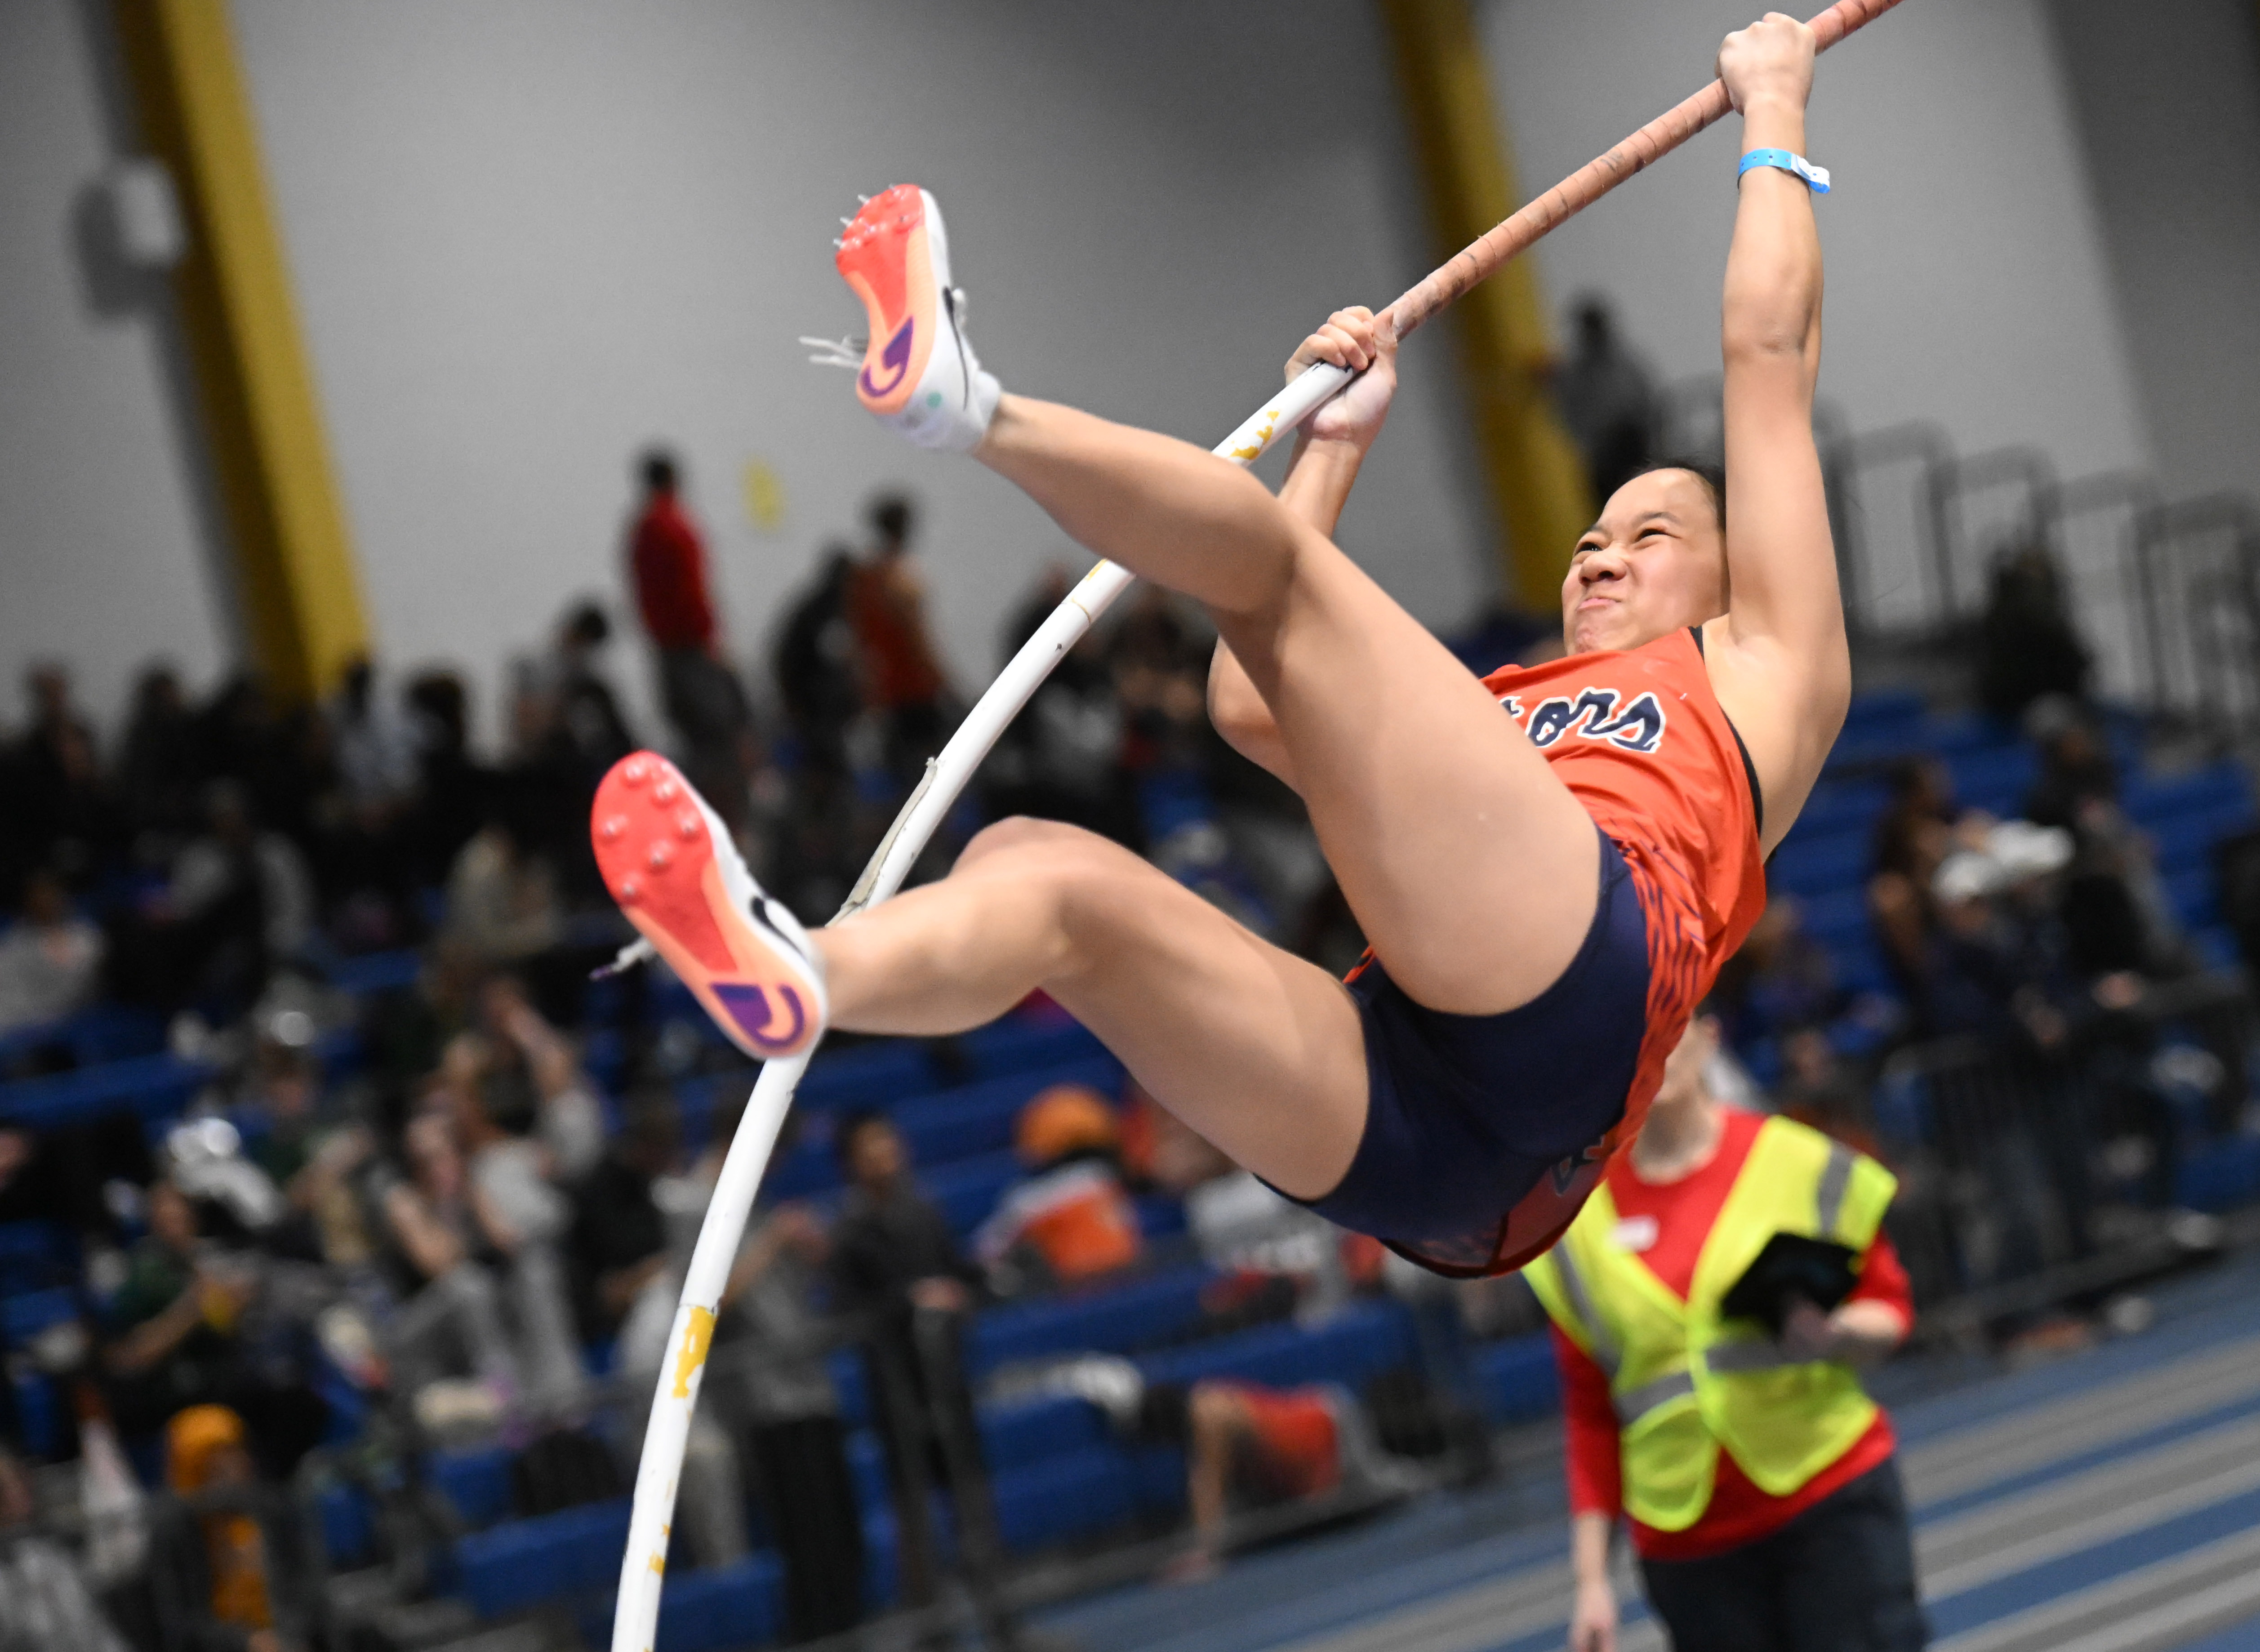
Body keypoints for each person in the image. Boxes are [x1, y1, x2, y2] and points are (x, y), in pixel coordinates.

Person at [593, 18, 1847, 1279]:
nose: (1596, 555)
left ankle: (965, 406)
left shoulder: (1758, 669)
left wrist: (1775, 107)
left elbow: (1766, 355)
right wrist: (1337, 447)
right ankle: (804, 967)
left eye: (1648, 534)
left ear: (1733, 576)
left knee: (1281, 575)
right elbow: (1248, 700)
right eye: (1587, 536)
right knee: (1035, 869)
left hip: (1584, 995)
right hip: (1436, 1137)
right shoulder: (1496, 713)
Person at [1525, 1015, 1922, 1652]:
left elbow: (1892, 1310)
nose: (1652, 1051)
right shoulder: (1575, 1224)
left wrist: (1835, 1329)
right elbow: (1591, 1412)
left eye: (1668, 1028)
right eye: (1628, 1037)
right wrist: (1593, 1579)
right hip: (1688, 1547)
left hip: (1829, 1499)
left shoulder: (1798, 1161)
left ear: (1708, 1037)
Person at [827, 1112, 1015, 1647]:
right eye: (870, 1146)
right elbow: (849, 1311)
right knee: (917, 1521)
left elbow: (955, 1270)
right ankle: (936, 1636)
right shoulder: (851, 1233)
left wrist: (975, 1285)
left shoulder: (923, 1211)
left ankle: (1003, 1625)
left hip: (948, 1381)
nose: (884, 1153)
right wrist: (909, 1303)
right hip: (899, 1392)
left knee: (974, 1509)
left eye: (888, 1140)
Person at [625, 449, 752, 826]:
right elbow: (695, 591)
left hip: (664, 649)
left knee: (689, 737)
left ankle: (692, 820)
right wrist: (712, 644)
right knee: (718, 738)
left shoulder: (640, 530)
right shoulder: (677, 527)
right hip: (692, 648)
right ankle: (728, 823)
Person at [846, 493, 953, 785]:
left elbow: (860, 642)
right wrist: (947, 684)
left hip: (884, 691)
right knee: (926, 781)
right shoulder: (902, 579)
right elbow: (918, 641)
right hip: (914, 692)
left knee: (895, 781)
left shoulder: (863, 578)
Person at [1553, 295, 1660, 501]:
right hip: (1604, 455)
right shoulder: (1575, 372)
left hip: (1629, 448)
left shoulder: (1625, 365)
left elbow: (1646, 407)